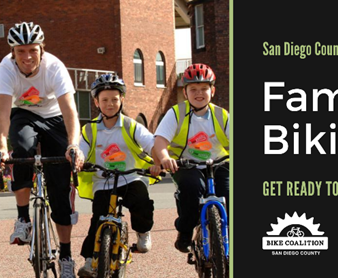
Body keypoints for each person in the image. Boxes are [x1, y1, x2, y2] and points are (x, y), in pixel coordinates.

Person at [0, 22, 84, 277]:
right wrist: (2, 147)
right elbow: (3, 112)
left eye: (33, 50)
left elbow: (70, 111)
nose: (27, 57)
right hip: (23, 114)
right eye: (21, 51)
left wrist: (74, 146)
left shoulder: (54, 67)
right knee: (21, 151)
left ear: (42, 49)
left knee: (60, 187)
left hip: (55, 118)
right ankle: (23, 219)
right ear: (13, 52)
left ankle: (67, 257)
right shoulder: (5, 68)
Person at [77, 73, 161, 277]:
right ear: (96, 101)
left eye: (115, 99)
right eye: (104, 100)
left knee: (141, 200)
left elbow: (151, 143)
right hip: (103, 181)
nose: (110, 104)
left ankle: (142, 231)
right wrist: (78, 158)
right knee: (98, 218)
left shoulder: (131, 126)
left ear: (122, 100)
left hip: (131, 177)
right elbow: (80, 148)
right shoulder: (89, 130)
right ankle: (90, 260)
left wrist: (158, 160)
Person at [154, 63, 230, 253]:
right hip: (187, 164)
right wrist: (164, 157)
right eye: (193, 89)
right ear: (185, 92)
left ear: (212, 90)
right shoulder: (176, 113)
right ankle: (185, 232)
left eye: (204, 88)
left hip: (220, 163)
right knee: (191, 189)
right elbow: (161, 139)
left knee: (229, 194)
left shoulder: (221, 115)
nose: (199, 93)